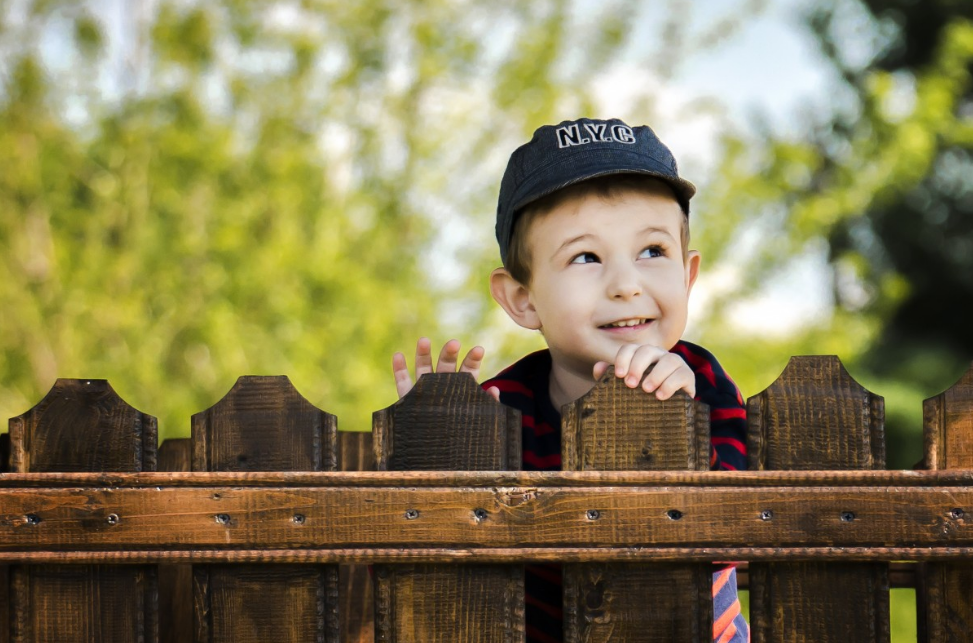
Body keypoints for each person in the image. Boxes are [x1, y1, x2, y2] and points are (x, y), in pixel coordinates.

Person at [392, 117, 749, 643]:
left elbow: (738, 537)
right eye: (586, 257)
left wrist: (685, 420)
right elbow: (416, 574)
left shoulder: (705, 385)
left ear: (688, 276)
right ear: (523, 298)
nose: (626, 285)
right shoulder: (501, 410)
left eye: (652, 252)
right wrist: (430, 445)